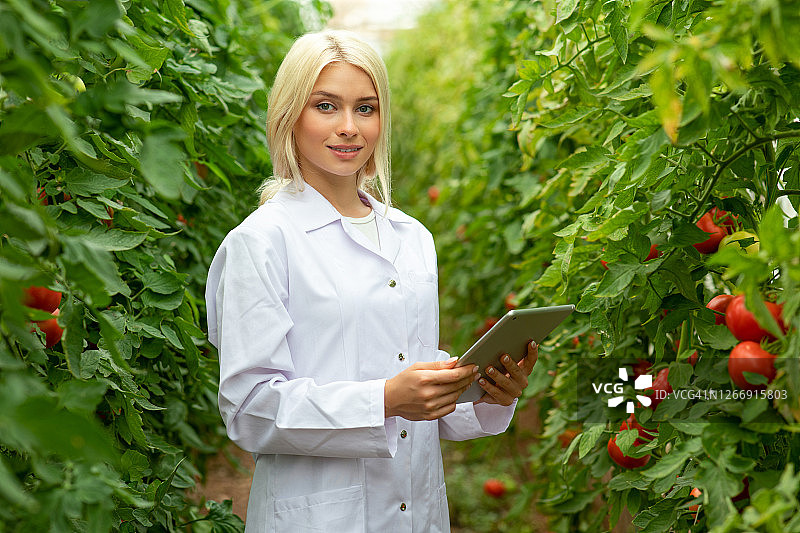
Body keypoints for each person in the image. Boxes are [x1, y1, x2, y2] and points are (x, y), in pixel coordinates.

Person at [205, 29, 538, 533]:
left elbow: (409, 374)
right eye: (325, 106)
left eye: (366, 108)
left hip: (417, 509)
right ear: (289, 115)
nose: (348, 128)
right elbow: (250, 408)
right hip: (316, 515)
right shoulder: (263, 241)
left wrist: (487, 391)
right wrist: (384, 399)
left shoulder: (412, 237)